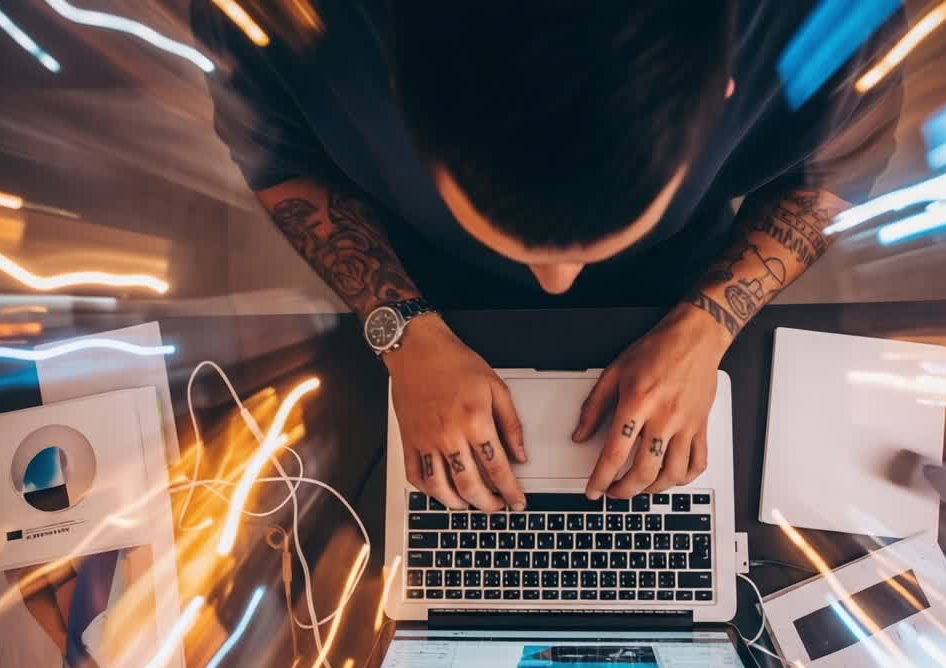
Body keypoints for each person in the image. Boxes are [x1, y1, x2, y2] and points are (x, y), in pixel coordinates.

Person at [192, 1, 903, 512]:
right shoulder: (274, 15)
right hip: (415, 271)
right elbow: (284, 159)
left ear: (719, 98)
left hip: (688, 278)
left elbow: (834, 173)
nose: (556, 289)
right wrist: (401, 329)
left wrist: (708, 322)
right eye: (521, 244)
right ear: (400, 97)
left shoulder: (835, 20)